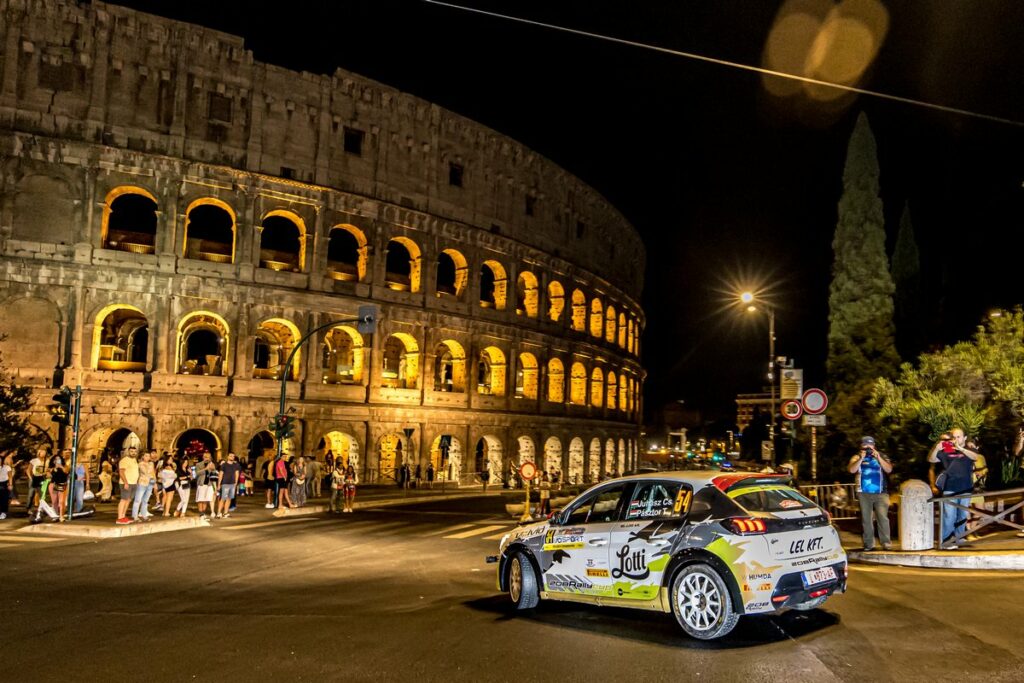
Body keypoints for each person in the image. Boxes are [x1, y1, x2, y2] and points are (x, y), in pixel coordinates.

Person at [928, 428, 981, 549]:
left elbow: (975, 457)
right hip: (950, 487)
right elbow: (931, 459)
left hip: (966, 487)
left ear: (965, 438)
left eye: (959, 436)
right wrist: (936, 448)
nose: (956, 439)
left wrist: (961, 449)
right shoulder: (948, 449)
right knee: (949, 516)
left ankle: (959, 538)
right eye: (954, 437)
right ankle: (947, 541)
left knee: (962, 515)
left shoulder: (969, 448)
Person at [848, 436, 893, 551]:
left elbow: (889, 469)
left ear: (874, 446)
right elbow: (852, 470)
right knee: (866, 519)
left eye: (870, 445)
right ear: (861, 446)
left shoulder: (881, 455)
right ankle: (869, 544)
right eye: (865, 445)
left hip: (881, 492)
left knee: (882, 517)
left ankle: (886, 542)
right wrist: (861, 458)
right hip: (863, 493)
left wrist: (878, 458)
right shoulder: (857, 457)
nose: (868, 447)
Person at [116, 447, 140, 525]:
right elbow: (121, 472)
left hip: (133, 483)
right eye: (131, 451)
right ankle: (119, 518)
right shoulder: (124, 460)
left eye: (134, 451)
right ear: (128, 452)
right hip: (126, 483)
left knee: (128, 500)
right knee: (123, 499)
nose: (133, 453)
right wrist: (125, 482)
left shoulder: (134, 460)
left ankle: (123, 516)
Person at [132, 450, 155, 522]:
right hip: (142, 482)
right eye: (146, 456)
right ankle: (135, 516)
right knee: (138, 500)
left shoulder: (151, 464)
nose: (148, 457)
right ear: (142, 457)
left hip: (150, 483)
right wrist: (149, 469)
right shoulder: (140, 464)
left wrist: (155, 482)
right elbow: (145, 472)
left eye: (149, 456)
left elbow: (153, 473)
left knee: (146, 500)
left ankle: (144, 515)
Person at [217, 452, 241, 519]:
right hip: (225, 483)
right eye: (230, 456)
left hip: (232, 484)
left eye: (233, 456)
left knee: (229, 499)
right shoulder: (224, 465)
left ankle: (225, 513)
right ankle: (219, 513)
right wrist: (219, 484)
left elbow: (237, 474)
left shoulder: (236, 465)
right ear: (228, 457)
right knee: (223, 499)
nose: (232, 457)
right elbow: (221, 474)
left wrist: (236, 483)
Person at [48, 450, 69, 521]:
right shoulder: (51, 468)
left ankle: (61, 516)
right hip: (53, 485)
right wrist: (54, 469)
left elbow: (66, 471)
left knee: (61, 501)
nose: (57, 460)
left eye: (59, 459)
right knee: (54, 501)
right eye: (56, 459)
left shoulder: (65, 466)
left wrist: (61, 467)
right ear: (53, 461)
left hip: (62, 484)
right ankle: (55, 515)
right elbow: (48, 476)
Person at [195, 452, 216, 520]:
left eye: (208, 457)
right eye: (206, 457)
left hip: (209, 484)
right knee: (200, 499)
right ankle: (201, 513)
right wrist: (206, 469)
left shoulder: (211, 464)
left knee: (206, 500)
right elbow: (197, 473)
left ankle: (203, 512)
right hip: (201, 484)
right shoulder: (198, 464)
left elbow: (214, 474)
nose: (207, 458)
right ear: (203, 457)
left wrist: (213, 469)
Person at [27, 448, 47, 514]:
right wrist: (30, 478)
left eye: (45, 453)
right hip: (34, 477)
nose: (44, 454)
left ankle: (42, 508)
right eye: (42, 452)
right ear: (39, 453)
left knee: (42, 494)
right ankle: (28, 508)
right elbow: (28, 470)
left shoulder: (47, 461)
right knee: (31, 494)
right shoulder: (34, 460)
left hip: (42, 478)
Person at [0, 453, 12, 519]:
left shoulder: (7, 467)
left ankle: (3, 512)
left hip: (4, 483)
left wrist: (10, 484)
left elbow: (10, 477)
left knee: (4, 498)